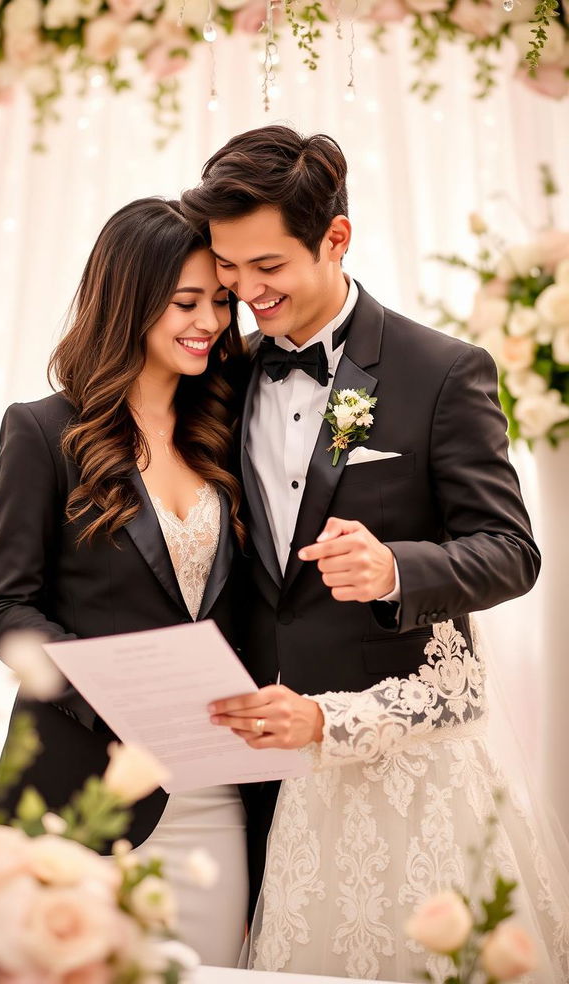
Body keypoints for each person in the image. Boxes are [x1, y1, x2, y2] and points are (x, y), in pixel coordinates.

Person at [181, 126, 569, 979]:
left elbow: (512, 550)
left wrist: (399, 569)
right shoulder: (223, 374)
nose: (245, 292)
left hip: (410, 779)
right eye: (229, 267)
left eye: (269, 267)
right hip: (267, 777)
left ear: (336, 238)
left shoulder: (442, 371)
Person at [0, 198, 250, 967]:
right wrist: (116, 696)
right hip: (80, 795)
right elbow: (7, 609)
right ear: (129, 299)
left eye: (220, 302)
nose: (210, 321)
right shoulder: (42, 431)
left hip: (212, 802)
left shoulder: (225, 430)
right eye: (185, 302)